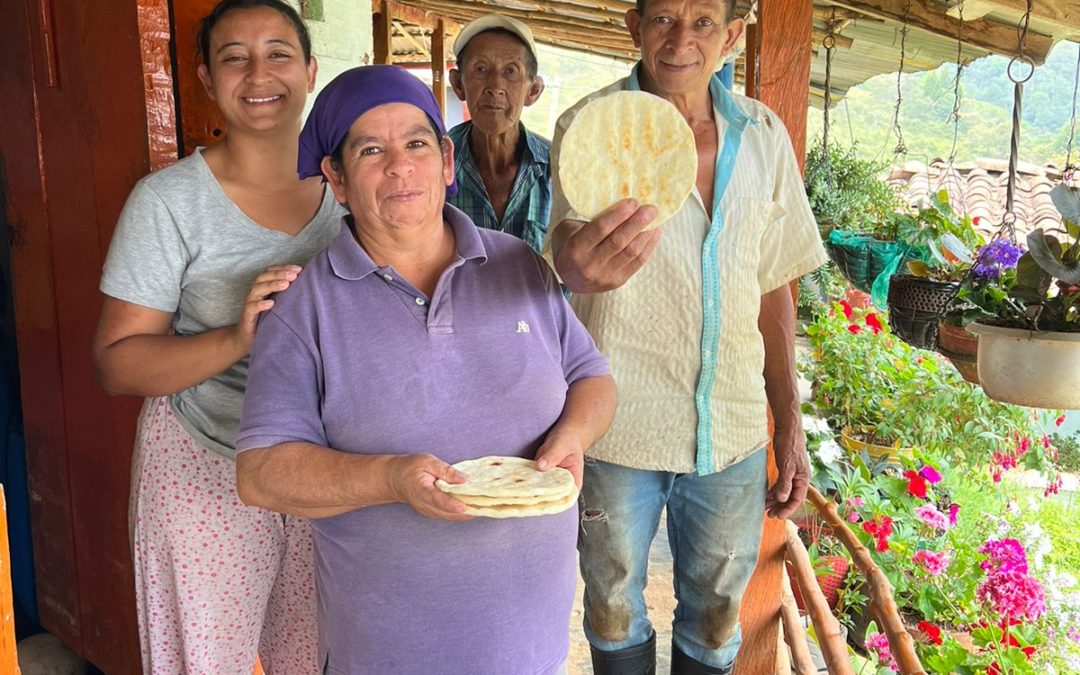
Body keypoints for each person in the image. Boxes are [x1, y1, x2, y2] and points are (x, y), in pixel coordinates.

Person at [233, 65, 616, 675]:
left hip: (530, 643)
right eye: (370, 150)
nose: (399, 167)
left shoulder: (518, 264)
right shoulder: (303, 307)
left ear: (444, 160)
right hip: (386, 650)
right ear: (335, 177)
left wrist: (572, 439)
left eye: (415, 144)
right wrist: (390, 479)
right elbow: (261, 474)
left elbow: (592, 378)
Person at [546, 0, 828, 672]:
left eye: (703, 22)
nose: (680, 40)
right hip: (619, 424)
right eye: (663, 18)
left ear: (733, 36)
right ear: (633, 26)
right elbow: (561, 252)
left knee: (714, 613)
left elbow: (773, 284)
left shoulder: (763, 136)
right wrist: (574, 265)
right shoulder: (587, 127)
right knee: (611, 601)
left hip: (728, 429)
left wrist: (789, 421)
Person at [91, 1, 340, 672]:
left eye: (279, 53)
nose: (259, 73)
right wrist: (237, 336)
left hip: (324, 466)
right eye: (235, 56)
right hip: (202, 457)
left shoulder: (352, 191)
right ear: (206, 77)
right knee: (204, 661)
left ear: (311, 70)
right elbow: (117, 362)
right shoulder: (168, 201)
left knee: (321, 656)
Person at [447, 14, 551, 253]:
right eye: (480, 69)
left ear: (533, 91)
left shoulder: (559, 168)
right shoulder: (433, 165)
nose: (495, 87)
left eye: (511, 71)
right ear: (458, 84)